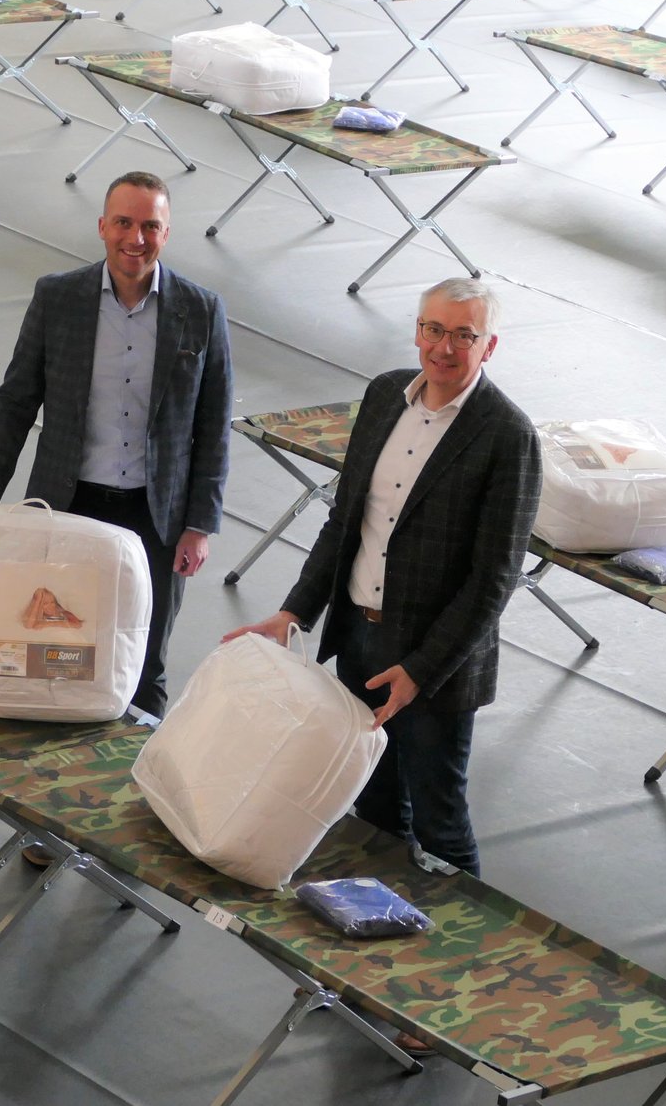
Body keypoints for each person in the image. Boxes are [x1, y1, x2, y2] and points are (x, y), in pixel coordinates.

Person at [226, 277, 540, 882]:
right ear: (417, 330)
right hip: (360, 641)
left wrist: (420, 671)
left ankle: (458, 963)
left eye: (463, 336)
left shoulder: (507, 435)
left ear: (489, 346)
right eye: (434, 330)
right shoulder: (384, 394)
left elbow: (494, 579)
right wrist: (296, 611)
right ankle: (378, 945)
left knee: (439, 822)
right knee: (372, 810)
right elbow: (347, 520)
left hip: (432, 668)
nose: (444, 348)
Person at [0, 171, 232, 721]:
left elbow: (213, 423)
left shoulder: (202, 310)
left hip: (158, 519)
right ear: (102, 226)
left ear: (168, 231)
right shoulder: (57, 298)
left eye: (150, 226)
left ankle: (134, 782)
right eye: (124, 223)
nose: (136, 238)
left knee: (146, 661)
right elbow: (17, 399)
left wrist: (200, 524)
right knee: (54, 650)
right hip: (69, 507)